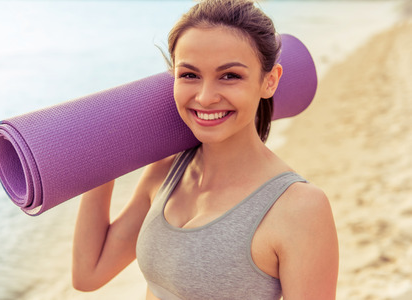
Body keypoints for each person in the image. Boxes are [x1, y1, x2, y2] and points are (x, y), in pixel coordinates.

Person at [72, 0, 339, 299]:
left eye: (230, 76)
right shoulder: (165, 172)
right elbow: (88, 274)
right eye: (189, 75)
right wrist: (102, 151)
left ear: (270, 81)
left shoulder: (299, 208)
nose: (205, 97)